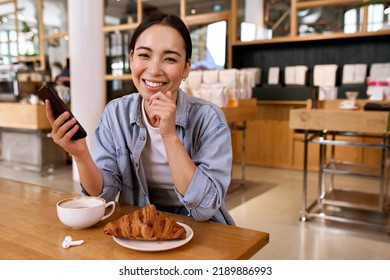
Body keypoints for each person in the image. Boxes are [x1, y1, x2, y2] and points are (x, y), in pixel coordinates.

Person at [44, 14, 235, 225]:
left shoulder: (209, 118)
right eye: (145, 55)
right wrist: (81, 156)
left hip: (201, 228)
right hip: (140, 225)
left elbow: (205, 207)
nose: (154, 70)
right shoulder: (116, 114)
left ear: (186, 68)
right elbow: (103, 197)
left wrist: (169, 135)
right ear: (131, 58)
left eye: (170, 59)